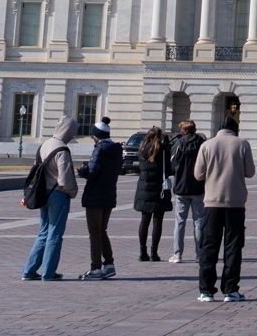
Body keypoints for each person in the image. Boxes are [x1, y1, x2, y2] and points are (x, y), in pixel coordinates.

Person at [194, 113, 256, 302]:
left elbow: (198, 174)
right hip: (235, 202)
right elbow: (250, 172)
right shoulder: (242, 144)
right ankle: (230, 289)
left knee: (209, 247)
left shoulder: (207, 145)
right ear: (235, 129)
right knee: (233, 247)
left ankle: (206, 291)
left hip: (212, 201)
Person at [22, 116, 79, 281]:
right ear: (67, 130)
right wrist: (73, 191)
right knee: (55, 234)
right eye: (73, 131)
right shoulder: (62, 150)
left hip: (42, 193)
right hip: (58, 195)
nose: (74, 136)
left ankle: (29, 270)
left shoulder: (44, 145)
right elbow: (65, 180)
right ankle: (48, 272)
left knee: (43, 232)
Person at [79, 119, 122, 280]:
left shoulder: (100, 150)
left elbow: (92, 172)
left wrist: (82, 170)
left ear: (97, 136)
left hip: (95, 196)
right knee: (102, 230)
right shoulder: (115, 150)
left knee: (95, 233)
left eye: (93, 135)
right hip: (109, 194)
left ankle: (96, 268)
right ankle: (109, 264)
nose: (92, 138)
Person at [167, 121, 205, 264]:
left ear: (183, 131)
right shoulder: (202, 144)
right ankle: (199, 254)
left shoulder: (177, 145)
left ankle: (177, 254)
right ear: (195, 130)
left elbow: (172, 165)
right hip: (198, 186)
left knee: (180, 222)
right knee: (199, 222)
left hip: (181, 187)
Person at [132, 125, 169, 262]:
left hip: (144, 188)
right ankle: (154, 252)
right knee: (157, 221)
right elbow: (169, 169)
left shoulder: (142, 149)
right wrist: (166, 145)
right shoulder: (162, 150)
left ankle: (142, 251)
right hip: (159, 188)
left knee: (144, 220)